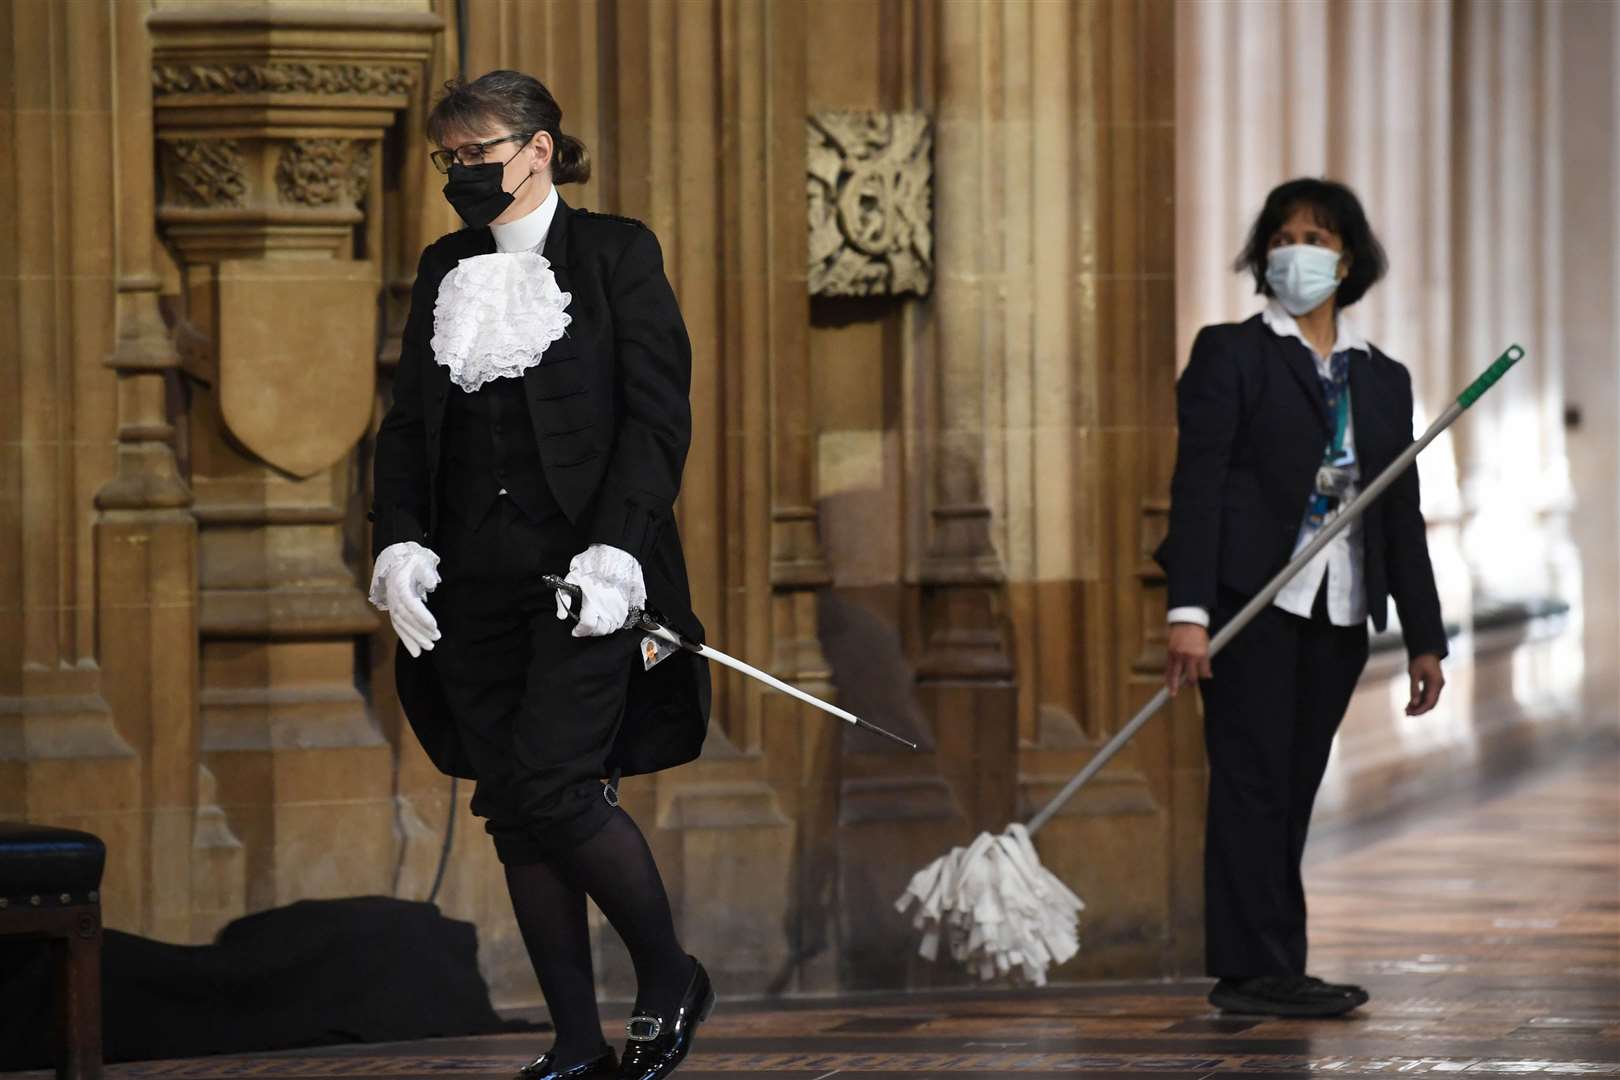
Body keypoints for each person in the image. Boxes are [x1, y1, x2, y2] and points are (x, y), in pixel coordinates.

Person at [367, 70, 715, 1080]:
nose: (462, 176)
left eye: (477, 155)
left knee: (561, 788)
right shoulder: (443, 268)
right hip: (473, 583)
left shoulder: (617, 253)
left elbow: (657, 419)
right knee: (514, 807)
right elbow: (406, 431)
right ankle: (573, 1037)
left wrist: (617, 553)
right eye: (450, 161)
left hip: (587, 582)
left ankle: (667, 975)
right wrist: (399, 542)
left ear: (539, 150)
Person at [1155, 178, 1448, 1018]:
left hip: (1339, 611)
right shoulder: (1231, 354)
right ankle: (1257, 968)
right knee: (1250, 784)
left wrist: (1425, 638)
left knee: (1291, 786)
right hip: (1253, 604)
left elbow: (1400, 510)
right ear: (1261, 255)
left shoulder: (1382, 380)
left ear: (1348, 259)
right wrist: (1189, 614)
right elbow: (1199, 487)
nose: (1298, 254)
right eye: (1283, 238)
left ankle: (1267, 960)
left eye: (1317, 239)